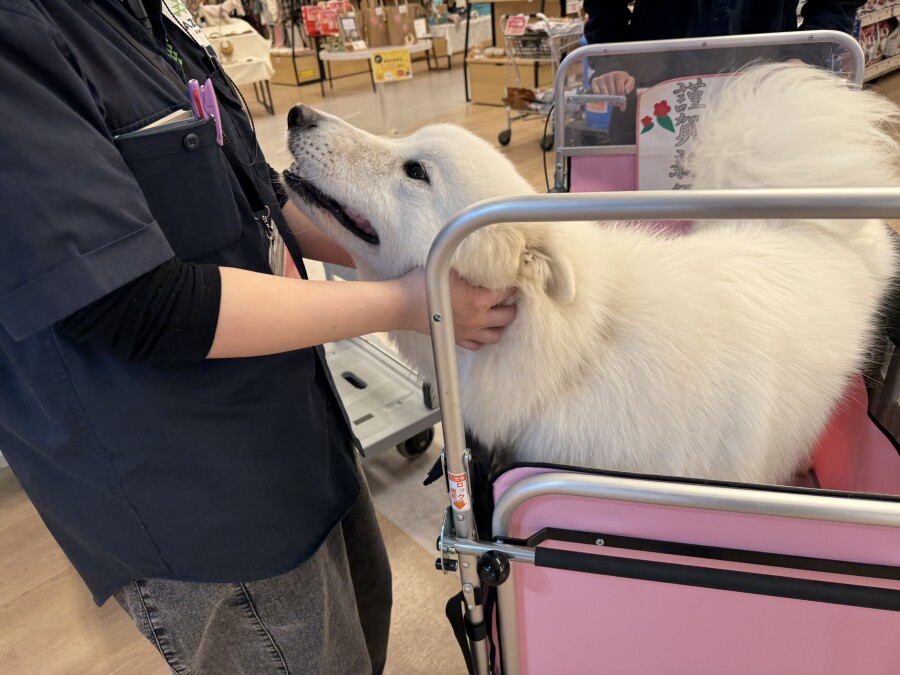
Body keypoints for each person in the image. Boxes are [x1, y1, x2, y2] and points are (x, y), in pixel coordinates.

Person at [0, 1, 516, 673]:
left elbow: (249, 195)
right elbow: (131, 301)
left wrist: (420, 251)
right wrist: (408, 300)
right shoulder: (25, 37)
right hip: (203, 495)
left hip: (297, 428)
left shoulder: (147, 21)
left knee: (361, 630)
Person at [581, 0, 865, 143]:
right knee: (648, 221)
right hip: (654, 92)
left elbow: (836, 3)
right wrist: (612, 58)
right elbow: (603, 5)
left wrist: (807, 55)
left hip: (766, 88)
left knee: (759, 219)